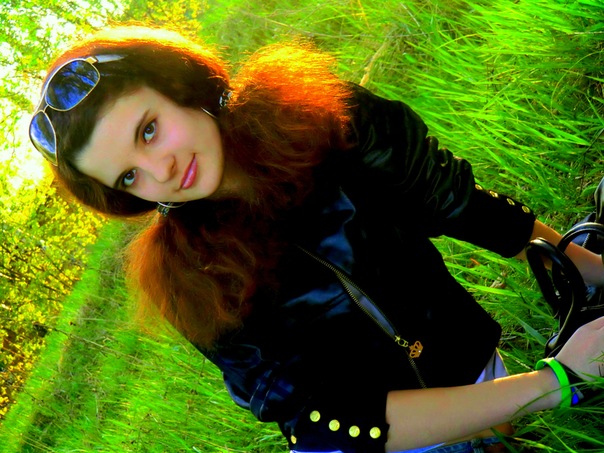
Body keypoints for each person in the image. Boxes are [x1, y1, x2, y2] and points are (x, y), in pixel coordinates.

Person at [29, 25, 604, 453]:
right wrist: (557, 382)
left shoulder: (317, 115)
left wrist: (587, 269)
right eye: (129, 176)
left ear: (179, 85)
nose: (161, 171)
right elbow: (326, 419)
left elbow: (451, 199)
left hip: (473, 366)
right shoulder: (186, 278)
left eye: (149, 130)